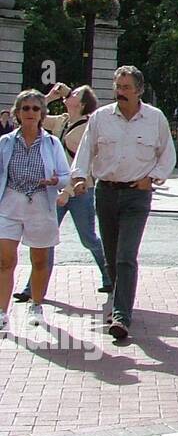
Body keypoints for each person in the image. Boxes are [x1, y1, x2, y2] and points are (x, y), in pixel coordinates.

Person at [69, 66, 176, 341]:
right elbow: (85, 150)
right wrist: (80, 177)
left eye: (126, 87)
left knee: (127, 255)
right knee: (112, 255)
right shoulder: (101, 118)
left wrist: (152, 178)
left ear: (139, 90)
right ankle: (119, 301)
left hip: (137, 195)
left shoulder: (155, 119)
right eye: (118, 86)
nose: (121, 92)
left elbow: (167, 155)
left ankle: (121, 316)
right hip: (106, 192)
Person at [12, 83, 112, 301]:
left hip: (79, 189)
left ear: (84, 103)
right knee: (45, 239)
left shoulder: (88, 126)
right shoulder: (62, 120)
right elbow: (32, 115)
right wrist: (50, 96)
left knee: (88, 238)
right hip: (55, 190)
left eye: (75, 93)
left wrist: (67, 191)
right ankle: (32, 289)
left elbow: (81, 164)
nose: (69, 93)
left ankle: (109, 275)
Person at [0, 90, 71, 332]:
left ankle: (36, 305)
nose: (30, 113)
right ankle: (2, 312)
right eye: (25, 108)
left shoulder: (51, 143)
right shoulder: (6, 142)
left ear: (42, 113)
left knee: (39, 259)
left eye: (35, 109)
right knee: (5, 259)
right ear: (18, 113)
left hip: (40, 204)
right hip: (10, 203)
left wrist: (55, 182)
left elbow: (65, 175)